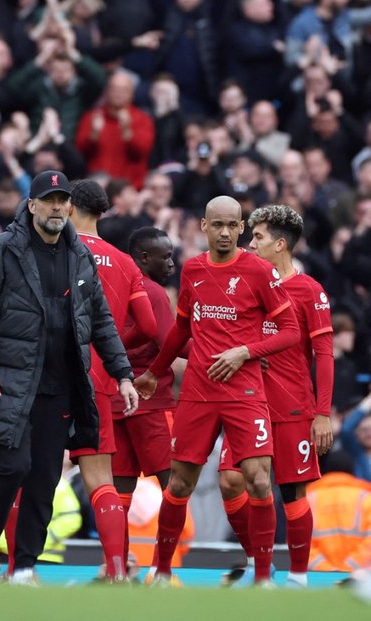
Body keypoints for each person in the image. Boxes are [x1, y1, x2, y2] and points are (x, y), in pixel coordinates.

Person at [0, 170, 138, 586]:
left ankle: (24, 568)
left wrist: (123, 374)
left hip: (61, 386)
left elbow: (102, 321)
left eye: (63, 200)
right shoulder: (2, 250)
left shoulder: (80, 257)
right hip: (12, 383)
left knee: (44, 480)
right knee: (13, 467)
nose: (57, 207)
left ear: (71, 207)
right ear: (32, 205)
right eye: (49, 200)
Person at [135, 196, 301, 586]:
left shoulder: (260, 272)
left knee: (258, 480)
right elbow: (180, 331)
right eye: (217, 225)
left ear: (241, 228)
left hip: (245, 392)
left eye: (232, 225)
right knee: (179, 483)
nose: (225, 232)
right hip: (198, 391)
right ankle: (161, 571)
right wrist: (155, 373)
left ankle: (263, 577)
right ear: (204, 227)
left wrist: (245, 351)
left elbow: (291, 332)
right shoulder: (192, 271)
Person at [217, 205, 334, 588]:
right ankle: (256, 561)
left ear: (280, 244)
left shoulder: (309, 291)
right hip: (246, 402)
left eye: (259, 237)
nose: (250, 244)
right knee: (231, 482)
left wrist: (322, 413)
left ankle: (298, 577)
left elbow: (324, 355)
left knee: (291, 491)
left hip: (293, 406)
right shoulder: (247, 283)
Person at [65, 179, 157, 581]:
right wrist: (114, 345)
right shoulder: (125, 263)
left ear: (69, 208)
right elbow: (150, 327)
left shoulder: (57, 252)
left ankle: (18, 570)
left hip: (53, 377)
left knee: (32, 474)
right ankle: (117, 570)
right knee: (101, 481)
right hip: (100, 380)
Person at [113, 227, 177, 561]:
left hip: (116, 400)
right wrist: (229, 355)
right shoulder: (152, 292)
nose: (172, 264)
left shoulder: (113, 285)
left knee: (120, 489)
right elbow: (172, 344)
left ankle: (117, 564)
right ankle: (161, 567)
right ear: (143, 258)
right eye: (165, 257)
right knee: (175, 485)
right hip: (152, 402)